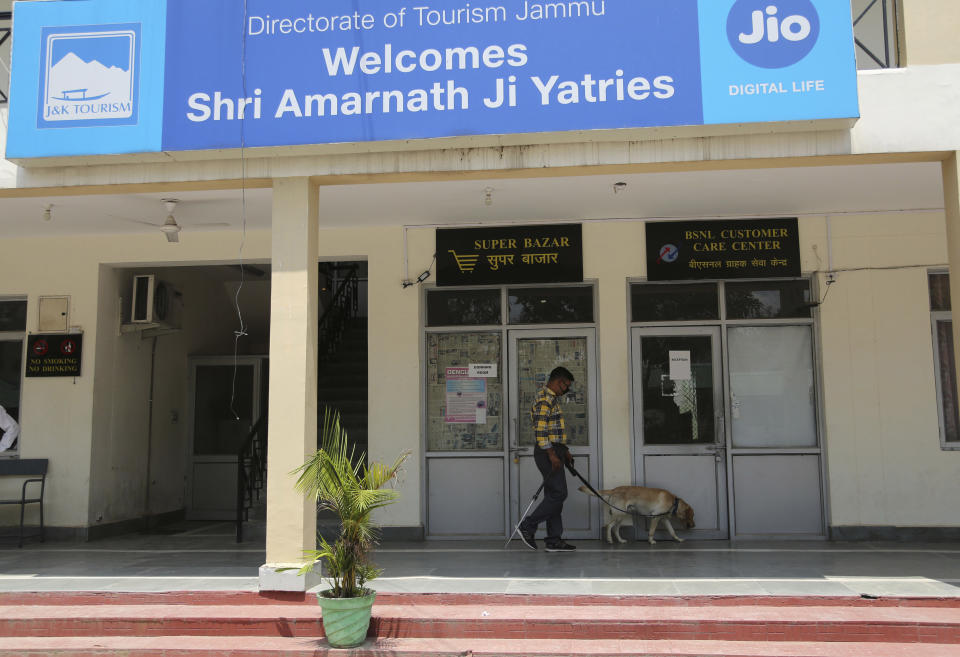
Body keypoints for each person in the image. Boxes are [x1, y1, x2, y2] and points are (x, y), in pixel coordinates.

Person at [518, 366, 576, 553]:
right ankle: (528, 525)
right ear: (559, 382)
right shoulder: (544, 399)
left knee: (554, 496)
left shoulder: (552, 399)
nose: (566, 390)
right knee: (559, 494)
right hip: (547, 452)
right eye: (566, 386)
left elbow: (553, 430)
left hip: (555, 450)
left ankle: (553, 539)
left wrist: (563, 450)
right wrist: (552, 454)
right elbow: (541, 431)